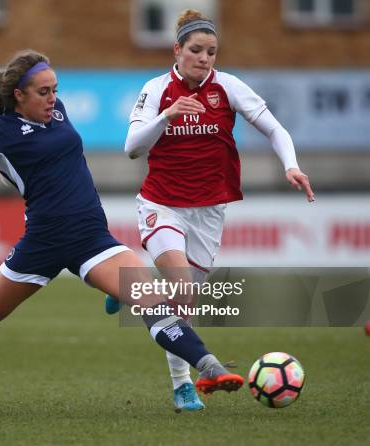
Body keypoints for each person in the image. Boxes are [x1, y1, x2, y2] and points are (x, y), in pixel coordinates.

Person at [0, 49, 245, 408]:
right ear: (19, 95)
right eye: (43, 92)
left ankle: (208, 367)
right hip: (42, 243)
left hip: (91, 238)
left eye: (55, 90)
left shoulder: (57, 111)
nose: (53, 99)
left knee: (152, 300)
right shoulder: (3, 132)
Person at [104, 9, 315, 411]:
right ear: (177, 50)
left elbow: (275, 128)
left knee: (182, 306)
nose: (204, 58)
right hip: (161, 204)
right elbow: (132, 147)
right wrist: (167, 115)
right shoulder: (155, 90)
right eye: (196, 50)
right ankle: (184, 385)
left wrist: (291, 165)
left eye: (212, 52)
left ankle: (132, 289)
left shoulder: (228, 87)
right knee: (181, 289)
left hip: (209, 212)